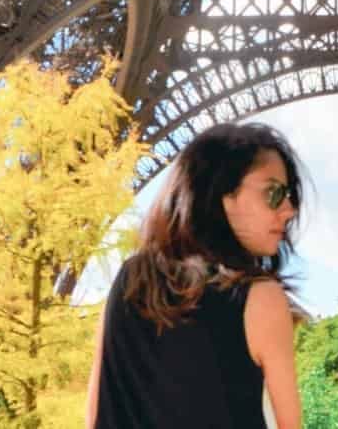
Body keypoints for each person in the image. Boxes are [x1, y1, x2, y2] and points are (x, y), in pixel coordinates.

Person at [86, 121, 304, 429]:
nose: (289, 209)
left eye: (289, 195)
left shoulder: (129, 280)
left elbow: (94, 415)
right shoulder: (260, 298)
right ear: (221, 194)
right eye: (273, 193)